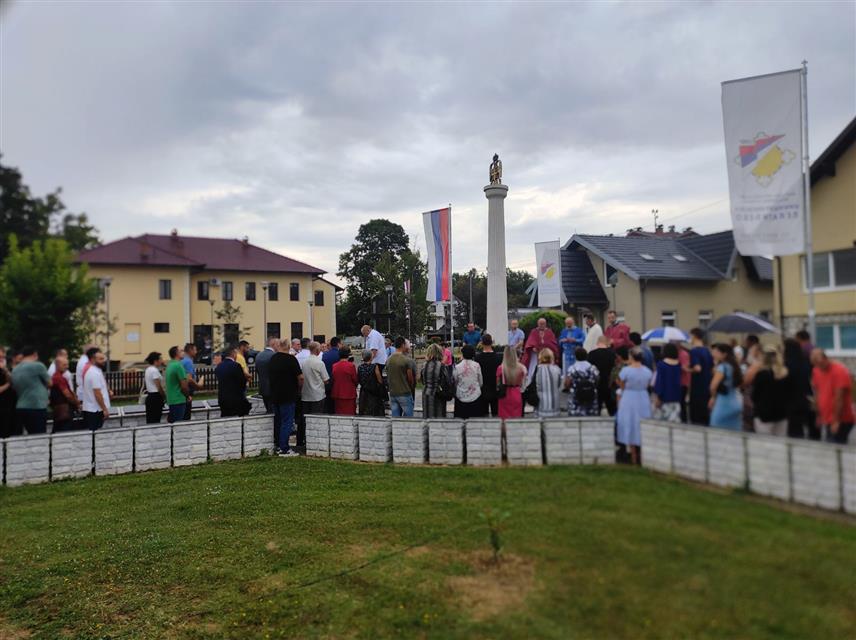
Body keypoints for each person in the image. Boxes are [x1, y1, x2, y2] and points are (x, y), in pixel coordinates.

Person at [616, 349, 653, 464]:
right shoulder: (647, 371)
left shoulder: (626, 370)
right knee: (641, 423)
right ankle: (642, 456)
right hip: (643, 397)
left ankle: (633, 457)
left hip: (629, 397)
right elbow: (648, 385)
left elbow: (622, 385)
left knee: (629, 423)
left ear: (631, 357)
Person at [810, 348, 854, 444]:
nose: (819, 367)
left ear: (826, 359)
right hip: (827, 417)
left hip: (842, 419)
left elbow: (839, 398)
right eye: (816, 365)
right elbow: (817, 393)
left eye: (820, 364)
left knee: (836, 446)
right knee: (831, 446)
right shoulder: (816, 370)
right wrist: (818, 415)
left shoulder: (839, 371)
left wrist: (836, 421)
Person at [268, 340, 303, 456]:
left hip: (275, 394)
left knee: (277, 421)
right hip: (288, 394)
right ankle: (284, 448)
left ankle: (278, 445)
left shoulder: (272, 359)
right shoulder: (291, 359)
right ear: (288, 347)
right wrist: (299, 388)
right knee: (287, 422)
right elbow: (301, 377)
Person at [751, 345, 793, 437]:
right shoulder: (785, 373)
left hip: (764, 414)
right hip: (781, 413)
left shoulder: (762, 374)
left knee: (765, 444)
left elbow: (755, 395)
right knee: (781, 442)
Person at [11, 346, 51, 435]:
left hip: (21, 406)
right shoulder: (38, 366)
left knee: (29, 436)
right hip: (37, 406)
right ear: (35, 354)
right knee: (39, 436)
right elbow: (50, 383)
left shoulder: (15, 369)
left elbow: (14, 386)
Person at [783, 337, 815, 439]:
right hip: (805, 397)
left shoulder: (786, 365)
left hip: (791, 401)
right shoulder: (805, 361)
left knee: (795, 430)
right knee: (808, 427)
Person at [709, 343, 743, 430]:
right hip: (736, 402)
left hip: (723, 403)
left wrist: (713, 397)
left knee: (717, 429)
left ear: (724, 354)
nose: (714, 354)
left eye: (717, 352)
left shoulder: (722, 367)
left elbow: (713, 386)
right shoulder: (734, 366)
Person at [215, 346, 251, 417]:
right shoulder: (236, 366)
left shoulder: (219, 366)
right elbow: (242, 382)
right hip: (235, 399)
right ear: (233, 354)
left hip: (223, 399)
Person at [687, 329, 714, 426]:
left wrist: (687, 370)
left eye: (690, 336)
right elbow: (712, 367)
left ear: (694, 336)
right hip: (707, 385)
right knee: (705, 415)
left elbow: (698, 368)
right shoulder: (707, 350)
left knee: (696, 418)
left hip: (698, 387)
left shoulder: (694, 351)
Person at [81, 350, 111, 431]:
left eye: (103, 358)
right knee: (94, 434)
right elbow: (97, 393)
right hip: (95, 410)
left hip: (94, 409)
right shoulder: (94, 373)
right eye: (100, 359)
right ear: (93, 360)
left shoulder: (96, 371)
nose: (103, 360)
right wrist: (104, 409)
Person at [565, 347, 600, 417]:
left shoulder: (572, 368)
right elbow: (597, 380)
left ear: (575, 356)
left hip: (576, 401)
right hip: (590, 399)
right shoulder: (592, 368)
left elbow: (567, 383)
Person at [653, 343, 683, 423]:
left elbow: (660, 382)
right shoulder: (678, 364)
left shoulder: (661, 365)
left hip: (664, 397)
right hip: (676, 396)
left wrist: (658, 397)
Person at [47, 354, 77, 432]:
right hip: (64, 410)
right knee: (64, 431)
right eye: (64, 365)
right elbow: (67, 394)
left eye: (67, 364)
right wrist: (76, 403)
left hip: (59, 410)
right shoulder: (59, 378)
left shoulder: (57, 376)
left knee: (57, 429)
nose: (67, 367)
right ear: (57, 365)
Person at [386, 336, 415, 417]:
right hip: (404, 392)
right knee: (408, 417)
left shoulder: (389, 359)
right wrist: (410, 387)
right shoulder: (406, 360)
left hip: (393, 393)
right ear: (403, 345)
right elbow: (410, 378)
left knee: (395, 418)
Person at [475, 334, 503, 417]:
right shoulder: (498, 357)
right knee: (496, 414)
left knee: (483, 414)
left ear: (482, 343)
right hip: (495, 388)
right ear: (492, 342)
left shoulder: (478, 358)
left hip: (482, 388)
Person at [587, 336, 616, 416]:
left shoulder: (591, 354)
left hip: (596, 384)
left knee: (596, 409)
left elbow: (589, 370)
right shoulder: (612, 354)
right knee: (612, 409)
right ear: (607, 343)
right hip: (609, 384)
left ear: (597, 343)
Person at [301, 341, 329, 421]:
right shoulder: (320, 363)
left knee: (306, 419)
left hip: (306, 395)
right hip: (317, 395)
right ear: (317, 350)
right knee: (316, 419)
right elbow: (326, 379)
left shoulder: (304, 362)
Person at [453, 345, 484, 418]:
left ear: (462, 354)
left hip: (461, 397)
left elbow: (455, 382)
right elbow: (481, 382)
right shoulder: (477, 365)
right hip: (475, 397)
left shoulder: (457, 367)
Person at [497, 346, 526, 419]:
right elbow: (523, 385)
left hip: (504, 395)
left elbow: (497, 384)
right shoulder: (521, 368)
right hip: (516, 393)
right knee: (516, 419)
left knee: (504, 420)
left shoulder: (501, 368)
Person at [421, 343, 448, 418]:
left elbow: (422, 380)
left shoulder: (424, 365)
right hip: (438, 394)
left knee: (427, 417)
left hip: (426, 393)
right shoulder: (442, 366)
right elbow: (445, 381)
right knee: (439, 418)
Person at [164, 346, 190, 423]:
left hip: (171, 399)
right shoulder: (179, 366)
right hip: (179, 400)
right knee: (178, 426)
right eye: (181, 351)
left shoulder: (170, 365)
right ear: (176, 354)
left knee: (172, 424)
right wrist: (187, 396)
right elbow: (184, 386)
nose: (184, 352)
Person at [534, 349, 562, 418]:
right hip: (555, 405)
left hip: (541, 405)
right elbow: (559, 385)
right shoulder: (557, 369)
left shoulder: (537, 370)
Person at [331, 347, 358, 415]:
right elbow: (355, 379)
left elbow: (333, 378)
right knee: (350, 413)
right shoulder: (351, 366)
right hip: (349, 393)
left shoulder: (334, 366)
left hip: (337, 392)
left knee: (339, 413)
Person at [358, 350, 385, 416]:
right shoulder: (374, 367)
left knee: (364, 411)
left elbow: (359, 379)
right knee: (374, 411)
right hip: (373, 392)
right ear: (371, 357)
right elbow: (380, 380)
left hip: (364, 392)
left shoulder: (360, 367)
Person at [255, 337, 278, 413]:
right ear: (273, 344)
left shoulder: (259, 355)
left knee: (268, 408)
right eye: (277, 344)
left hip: (262, 386)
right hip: (273, 387)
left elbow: (257, 370)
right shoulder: (274, 355)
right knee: (274, 411)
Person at [143, 351, 165, 424]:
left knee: (150, 419)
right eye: (160, 359)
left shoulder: (148, 369)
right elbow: (159, 386)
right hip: (156, 397)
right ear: (156, 361)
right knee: (156, 419)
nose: (162, 360)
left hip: (150, 396)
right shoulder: (154, 371)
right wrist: (164, 396)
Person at [181, 343, 202, 420]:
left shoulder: (182, 360)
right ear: (190, 350)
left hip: (181, 393)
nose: (196, 352)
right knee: (186, 416)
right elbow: (189, 379)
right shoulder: (188, 362)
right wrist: (199, 385)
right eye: (195, 350)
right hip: (187, 392)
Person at [322, 336, 341, 414]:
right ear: (338, 344)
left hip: (327, 382)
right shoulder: (340, 354)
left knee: (328, 404)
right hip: (337, 383)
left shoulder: (325, 355)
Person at [0, 347, 16, 438]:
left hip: (9, 407)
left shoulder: (6, 369)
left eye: (3, 357)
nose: (2, 360)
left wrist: (5, 370)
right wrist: (8, 385)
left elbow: (13, 381)